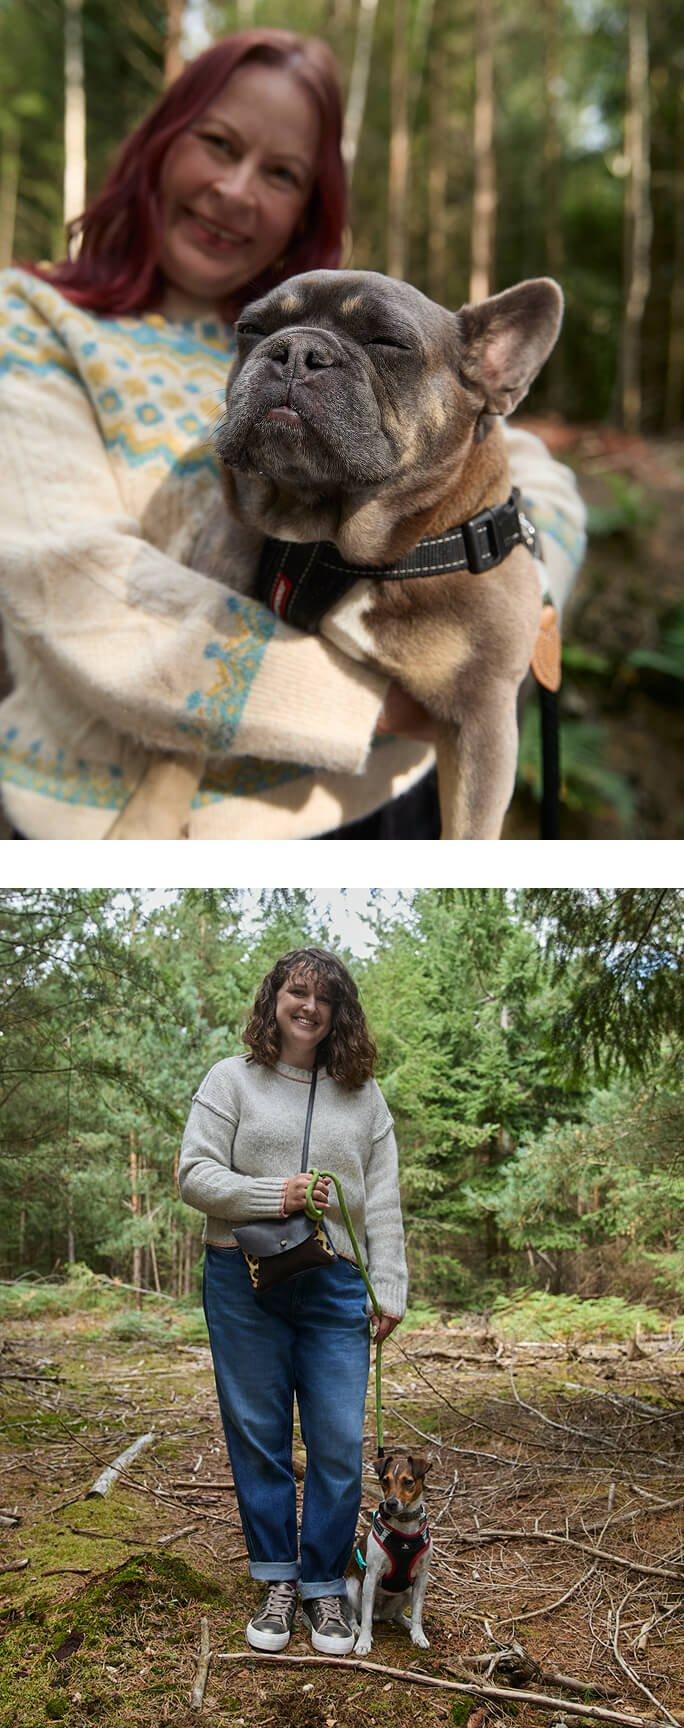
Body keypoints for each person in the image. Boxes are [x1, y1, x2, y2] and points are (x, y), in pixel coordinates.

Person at [0, 29, 586, 839]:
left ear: (308, 205)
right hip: (118, 820)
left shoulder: (364, 313)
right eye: (217, 143)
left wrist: (517, 602)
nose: (236, 191)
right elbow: (70, 586)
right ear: (158, 144)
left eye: (280, 174)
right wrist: (391, 702)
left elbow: (526, 472)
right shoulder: (28, 322)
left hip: (386, 809)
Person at [178, 947, 407, 1654]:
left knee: (339, 1440)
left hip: (337, 1282)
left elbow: (385, 1201)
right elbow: (192, 1175)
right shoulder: (231, 1079)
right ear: (274, 998)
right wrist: (273, 1193)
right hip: (241, 1280)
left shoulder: (362, 1094)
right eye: (296, 993)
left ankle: (323, 1587)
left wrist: (390, 1285)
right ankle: (278, 1578)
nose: (308, 1007)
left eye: (324, 999)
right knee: (259, 1433)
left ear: (341, 1013)